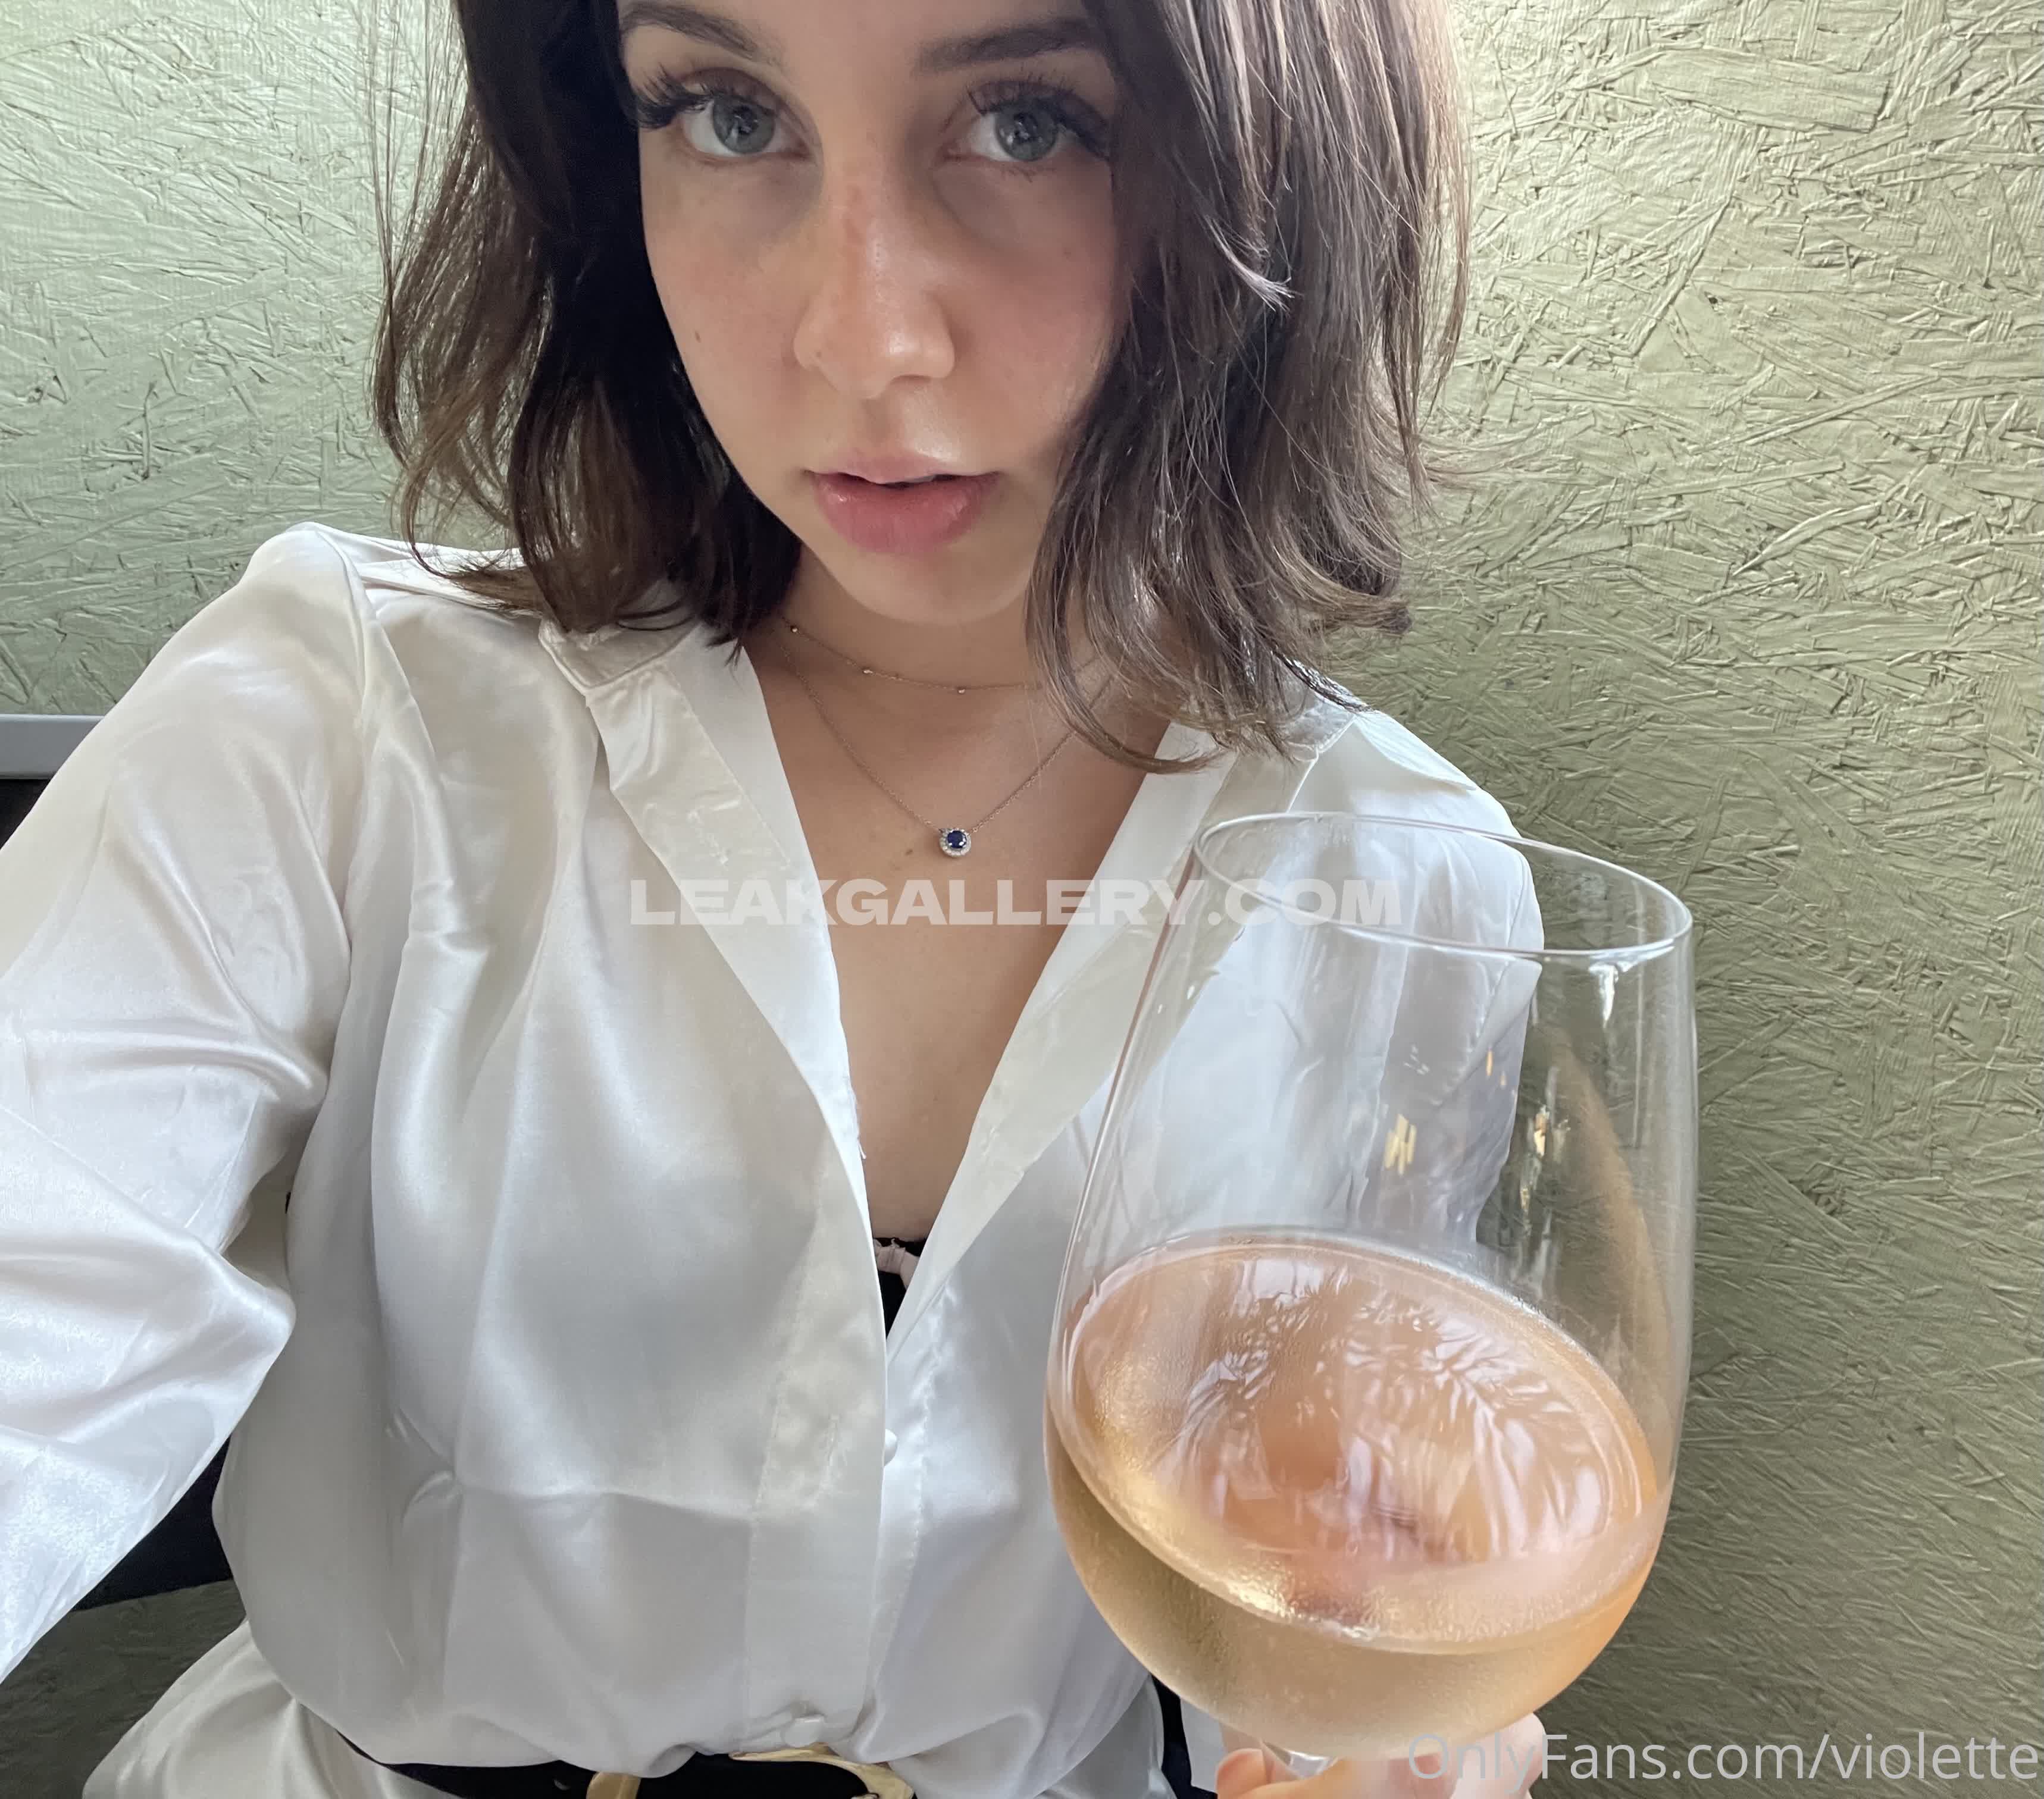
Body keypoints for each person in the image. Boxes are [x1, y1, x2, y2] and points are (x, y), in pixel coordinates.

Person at [0, 1, 1551, 1795]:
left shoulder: (1406, 886)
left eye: (1031, 123)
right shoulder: (343, 719)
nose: (857, 335)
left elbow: (1322, 1530)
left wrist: (1399, 1710)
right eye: (728, 114)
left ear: (1285, 180)